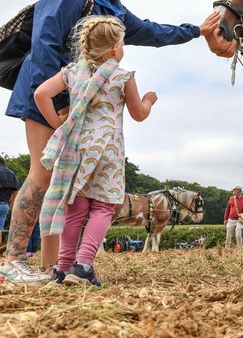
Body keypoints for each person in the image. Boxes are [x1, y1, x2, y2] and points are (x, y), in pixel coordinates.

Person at [0, 0, 222, 285]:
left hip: (74, 102)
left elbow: (150, 31)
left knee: (61, 181)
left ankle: (50, 269)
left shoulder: (113, 6)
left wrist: (195, 31)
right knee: (41, 176)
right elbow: (44, 45)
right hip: (47, 93)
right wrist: (58, 110)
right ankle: (12, 261)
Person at [35, 15, 158, 286]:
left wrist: (59, 123)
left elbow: (41, 94)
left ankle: (63, 268)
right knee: (103, 208)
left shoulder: (71, 73)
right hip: (107, 153)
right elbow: (138, 114)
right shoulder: (122, 76)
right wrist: (149, 101)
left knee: (75, 210)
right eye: (123, 44)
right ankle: (83, 266)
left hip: (76, 149)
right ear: (115, 49)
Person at [0, 157, 20, 248]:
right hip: (4, 206)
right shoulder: (11, 174)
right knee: (0, 230)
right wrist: (10, 203)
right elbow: (16, 191)